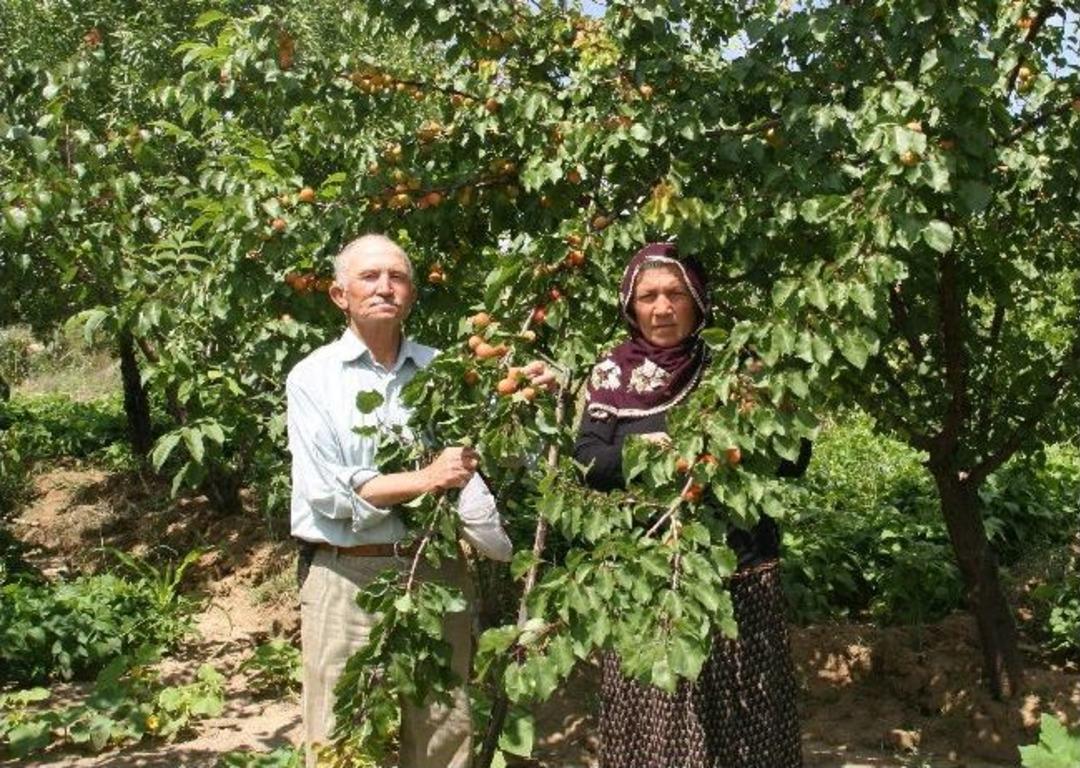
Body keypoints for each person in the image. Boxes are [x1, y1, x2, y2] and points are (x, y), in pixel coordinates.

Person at [287, 233, 552, 768]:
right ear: (339, 295)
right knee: (339, 738)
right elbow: (328, 492)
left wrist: (528, 396)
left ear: (411, 294)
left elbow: (509, 452)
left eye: (398, 277)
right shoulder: (312, 377)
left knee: (442, 733)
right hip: (345, 576)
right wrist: (427, 478)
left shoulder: (446, 371)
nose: (385, 287)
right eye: (369, 276)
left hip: (435, 571)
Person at [574, 242, 809, 768]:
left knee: (744, 715)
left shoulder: (733, 367)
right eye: (648, 296)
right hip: (648, 574)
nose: (662, 308)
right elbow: (588, 460)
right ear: (630, 305)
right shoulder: (613, 372)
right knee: (658, 712)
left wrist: (768, 405)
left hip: (736, 573)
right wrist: (645, 451)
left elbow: (793, 459)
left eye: (675, 294)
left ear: (697, 300)